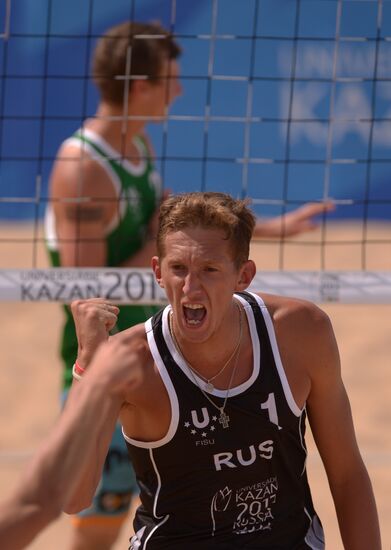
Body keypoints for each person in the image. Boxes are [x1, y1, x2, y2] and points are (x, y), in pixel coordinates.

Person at [68, 192, 381, 549]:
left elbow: (347, 475)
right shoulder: (133, 360)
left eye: (209, 270)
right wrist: (87, 366)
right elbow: (73, 498)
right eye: (178, 269)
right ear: (157, 272)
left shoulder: (301, 331)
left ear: (243, 275)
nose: (190, 287)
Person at [0, 331, 150, 550]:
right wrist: (93, 377)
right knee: (97, 533)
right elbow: (47, 502)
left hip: (124, 380)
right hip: (112, 384)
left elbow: (40, 502)